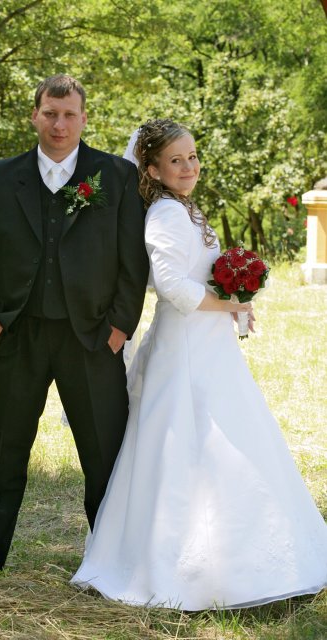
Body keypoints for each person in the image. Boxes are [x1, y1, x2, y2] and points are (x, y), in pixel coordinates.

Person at [71, 119, 327, 610]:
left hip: (208, 344)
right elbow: (172, 287)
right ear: (152, 170)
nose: (189, 167)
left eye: (192, 157)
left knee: (229, 436)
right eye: (176, 160)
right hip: (185, 347)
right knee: (193, 444)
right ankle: (188, 568)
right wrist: (227, 302)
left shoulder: (185, 207)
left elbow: (198, 274)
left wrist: (235, 293)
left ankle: (239, 556)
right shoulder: (166, 213)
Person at [0, 74, 149, 576]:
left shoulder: (115, 176)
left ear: (84, 118)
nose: (59, 124)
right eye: (50, 113)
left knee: (104, 453)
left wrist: (119, 329)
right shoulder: (1, 176)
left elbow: (133, 261)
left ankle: (111, 563)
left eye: (68, 115)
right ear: (35, 116)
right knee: (4, 449)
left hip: (92, 338)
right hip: (16, 335)